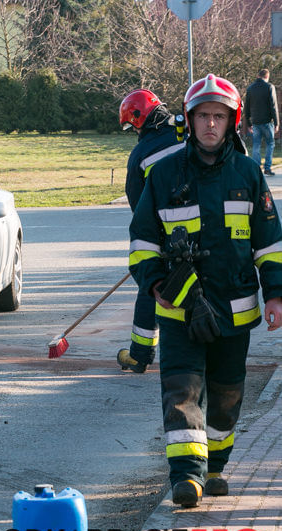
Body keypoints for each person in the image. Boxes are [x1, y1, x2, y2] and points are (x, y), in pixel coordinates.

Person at [129, 74, 282, 508]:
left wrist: (276, 294)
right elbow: (142, 240)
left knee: (227, 396)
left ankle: (215, 467)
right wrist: (156, 283)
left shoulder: (249, 175)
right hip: (179, 311)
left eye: (218, 116)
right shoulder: (163, 175)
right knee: (181, 393)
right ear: (190, 121)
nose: (210, 125)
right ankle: (187, 477)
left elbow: (270, 243)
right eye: (202, 116)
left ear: (233, 121)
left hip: (234, 314)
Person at [116, 89, 185, 373]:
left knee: (151, 284)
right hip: (206, 225)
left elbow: (138, 204)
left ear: (137, 117)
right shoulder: (186, 134)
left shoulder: (141, 154)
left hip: (164, 232)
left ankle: (140, 355)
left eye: (132, 124)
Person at [244, 68, 279, 176]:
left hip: (255, 122)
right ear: (267, 77)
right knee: (270, 144)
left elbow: (247, 108)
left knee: (256, 145)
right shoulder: (269, 87)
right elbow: (273, 106)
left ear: (258, 76)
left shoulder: (250, 88)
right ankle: (267, 168)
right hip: (268, 122)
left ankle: (256, 169)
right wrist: (277, 123)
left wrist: (249, 124)